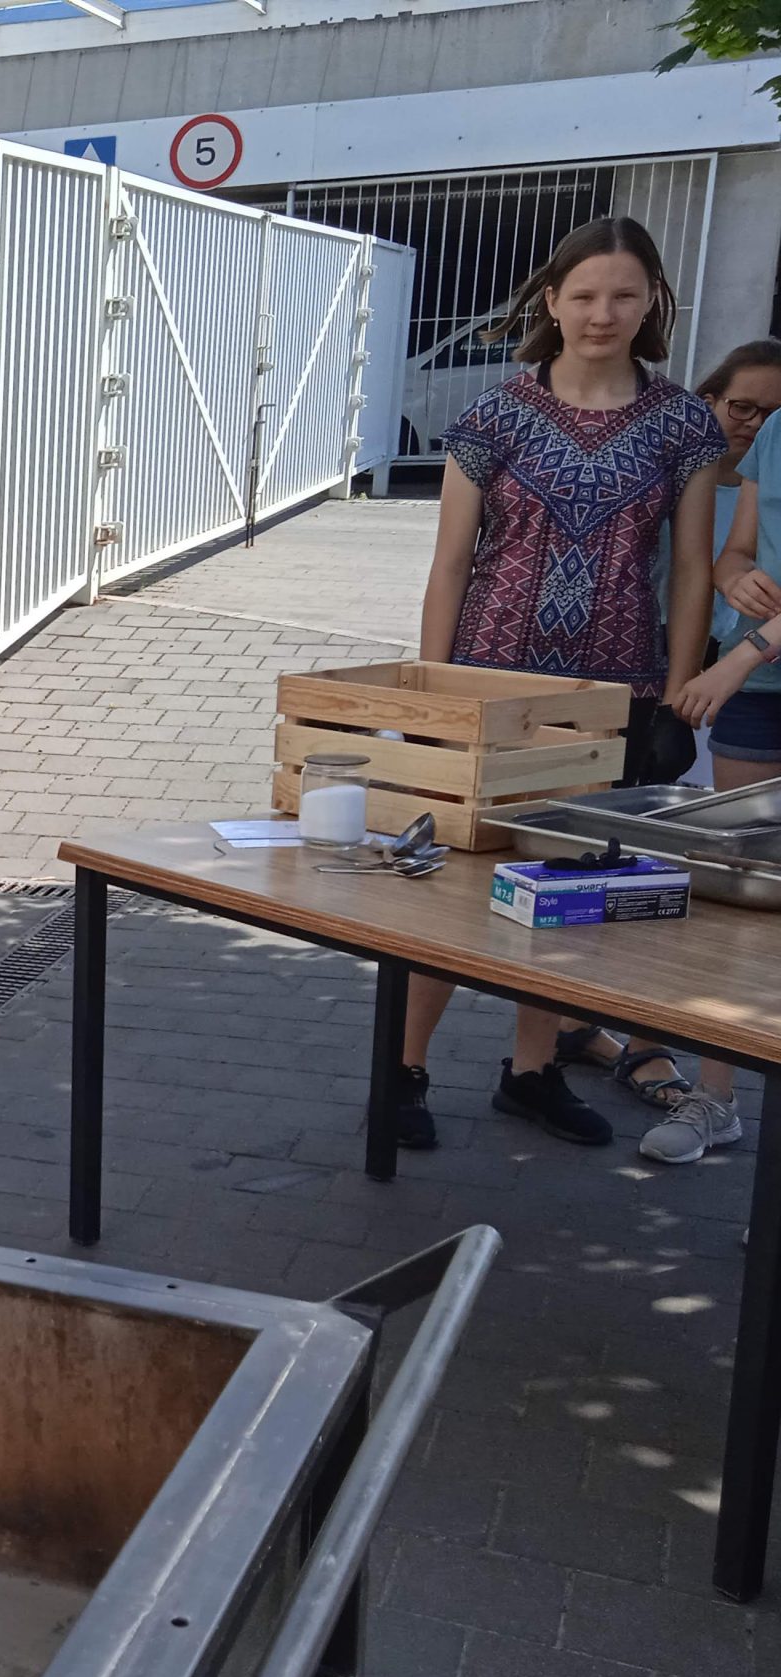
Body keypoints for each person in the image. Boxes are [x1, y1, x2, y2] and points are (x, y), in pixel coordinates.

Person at [394, 216, 725, 1151]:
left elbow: (692, 568)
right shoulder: (493, 416)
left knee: (568, 884)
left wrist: (676, 689)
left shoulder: (685, 424)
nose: (602, 313)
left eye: (624, 295)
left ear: (653, 302)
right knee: (455, 883)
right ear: (552, 300)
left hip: (611, 694)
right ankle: (402, 1070)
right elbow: (450, 562)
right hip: (492, 683)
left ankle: (532, 1070)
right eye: (583, 295)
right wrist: (433, 693)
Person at [646, 340, 781, 1162]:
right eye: (744, 405)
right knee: (740, 889)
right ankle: (716, 1096)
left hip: (744, 671)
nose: (756, 419)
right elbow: (734, 551)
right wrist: (735, 579)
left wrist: (738, 658)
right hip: (757, 695)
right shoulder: (778, 435)